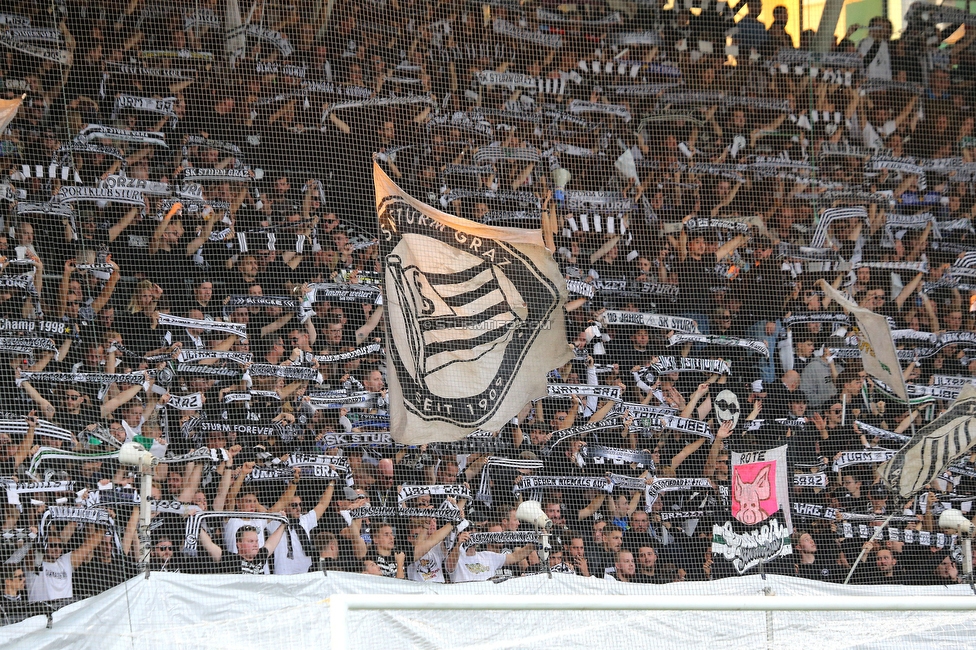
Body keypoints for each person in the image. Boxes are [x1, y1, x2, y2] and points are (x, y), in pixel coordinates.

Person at [197, 521, 288, 574]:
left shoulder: (259, 557)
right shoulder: (230, 560)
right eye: (250, 541)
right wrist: (196, 524)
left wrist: (283, 524)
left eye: (256, 541)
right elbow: (209, 545)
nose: (255, 544)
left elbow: (271, 543)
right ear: (239, 544)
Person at [446, 531, 536, 583]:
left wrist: (535, 542)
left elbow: (515, 557)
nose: (472, 536)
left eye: (474, 532)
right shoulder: (456, 559)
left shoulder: (488, 556)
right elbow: (450, 565)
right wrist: (458, 544)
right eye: (469, 532)